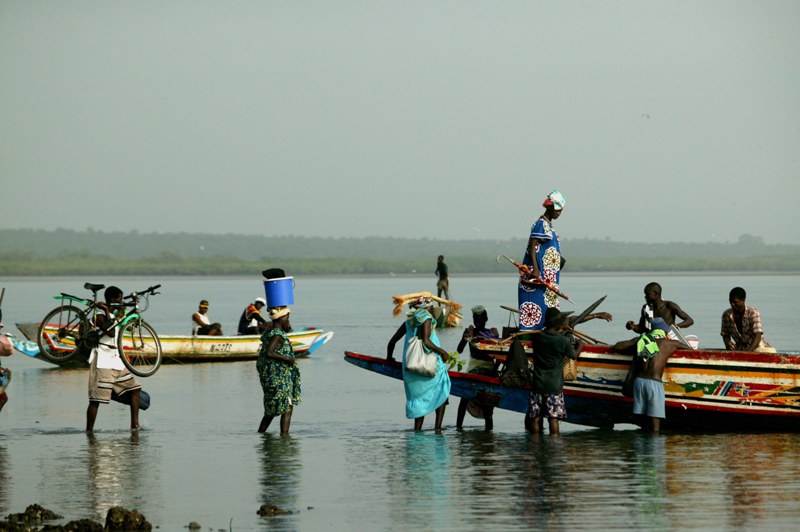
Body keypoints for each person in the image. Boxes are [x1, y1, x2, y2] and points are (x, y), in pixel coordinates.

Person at [387, 295, 451, 432]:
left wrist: (389, 358)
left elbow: (392, 342)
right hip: (428, 365)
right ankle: (438, 429)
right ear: (427, 308)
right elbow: (426, 341)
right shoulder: (427, 318)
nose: (433, 310)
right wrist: (442, 352)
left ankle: (417, 431)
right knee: (441, 390)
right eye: (432, 307)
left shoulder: (409, 322)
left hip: (411, 367)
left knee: (418, 398)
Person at [613, 322, 687, 432]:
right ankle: (654, 446)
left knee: (641, 418)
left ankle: (640, 447)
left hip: (639, 382)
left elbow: (617, 346)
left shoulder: (641, 340)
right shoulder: (670, 343)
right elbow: (690, 349)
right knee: (655, 421)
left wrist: (636, 341)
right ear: (664, 332)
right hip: (654, 383)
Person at [86, 286, 141, 432]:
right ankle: (89, 431)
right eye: (119, 299)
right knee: (95, 401)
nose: (121, 301)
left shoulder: (115, 315)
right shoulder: (99, 315)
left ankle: (135, 426)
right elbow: (110, 332)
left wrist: (125, 313)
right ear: (112, 299)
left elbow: (126, 326)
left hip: (116, 361)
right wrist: (107, 311)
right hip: (102, 361)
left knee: (135, 389)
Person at [527, 307, 583, 435]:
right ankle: (554, 447)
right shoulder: (563, 341)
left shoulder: (537, 337)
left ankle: (535, 445)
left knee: (535, 417)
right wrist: (581, 345)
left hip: (538, 384)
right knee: (553, 419)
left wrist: (560, 331)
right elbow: (573, 355)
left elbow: (548, 336)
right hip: (554, 386)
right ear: (559, 324)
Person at [518, 190, 566, 331]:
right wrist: (536, 269)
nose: (558, 213)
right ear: (549, 207)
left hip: (547, 280)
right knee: (535, 312)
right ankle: (532, 338)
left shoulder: (549, 226)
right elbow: (533, 245)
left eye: (560, 211)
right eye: (557, 210)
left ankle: (546, 334)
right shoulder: (541, 224)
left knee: (550, 313)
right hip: (536, 279)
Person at [257, 306, 301, 433]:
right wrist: (288, 359)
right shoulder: (277, 335)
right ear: (281, 318)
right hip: (279, 377)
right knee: (287, 406)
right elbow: (269, 353)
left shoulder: (268, 332)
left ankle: (261, 433)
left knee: (271, 408)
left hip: (270, 377)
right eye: (287, 318)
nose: (289, 321)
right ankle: (284, 437)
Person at [455, 305, 500, 431]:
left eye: (480, 319)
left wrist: (493, 370)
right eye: (476, 319)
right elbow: (459, 350)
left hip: (487, 372)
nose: (478, 322)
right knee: (464, 399)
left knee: (485, 404)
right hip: (475, 371)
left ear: (486, 319)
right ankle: (459, 428)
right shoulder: (471, 333)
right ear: (473, 320)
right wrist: (464, 338)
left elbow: (500, 356)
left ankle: (487, 430)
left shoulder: (492, 333)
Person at [625, 282, 694, 336]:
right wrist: (632, 326)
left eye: (647, 294)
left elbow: (689, 321)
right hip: (653, 339)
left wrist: (675, 327)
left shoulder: (670, 305)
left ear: (656, 294)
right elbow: (641, 329)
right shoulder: (646, 308)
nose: (645, 297)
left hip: (669, 339)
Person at [721, 286, 775, 352]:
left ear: (743, 300)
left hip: (757, 347)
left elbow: (758, 335)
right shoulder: (726, 315)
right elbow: (725, 334)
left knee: (770, 351)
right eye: (730, 301)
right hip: (740, 348)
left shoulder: (753, 313)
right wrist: (727, 342)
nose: (732, 304)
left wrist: (747, 353)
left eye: (735, 302)